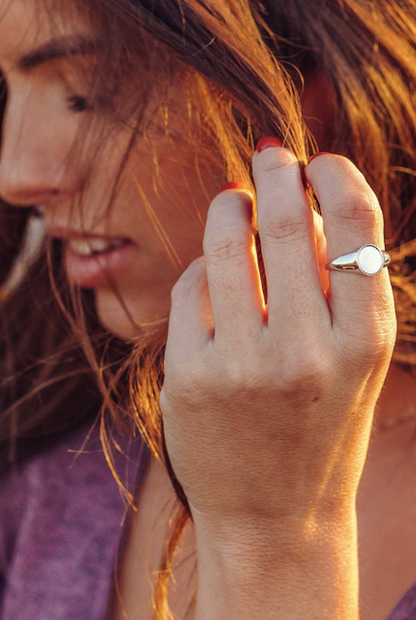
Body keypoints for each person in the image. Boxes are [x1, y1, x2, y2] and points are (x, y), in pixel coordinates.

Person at [0, 0, 415, 618]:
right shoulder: (47, 480)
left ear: (309, 100)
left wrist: (275, 536)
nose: (16, 176)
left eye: (84, 94)